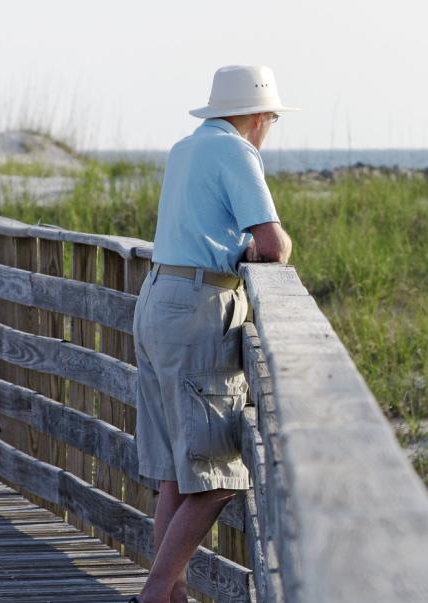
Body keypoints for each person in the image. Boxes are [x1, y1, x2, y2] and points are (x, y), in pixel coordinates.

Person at [130, 65, 296, 603]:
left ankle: (170, 596)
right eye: (271, 117)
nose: (270, 127)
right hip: (197, 306)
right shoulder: (236, 152)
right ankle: (156, 594)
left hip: (156, 297)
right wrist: (255, 250)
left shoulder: (185, 148)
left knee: (177, 476)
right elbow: (273, 247)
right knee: (221, 474)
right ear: (256, 116)